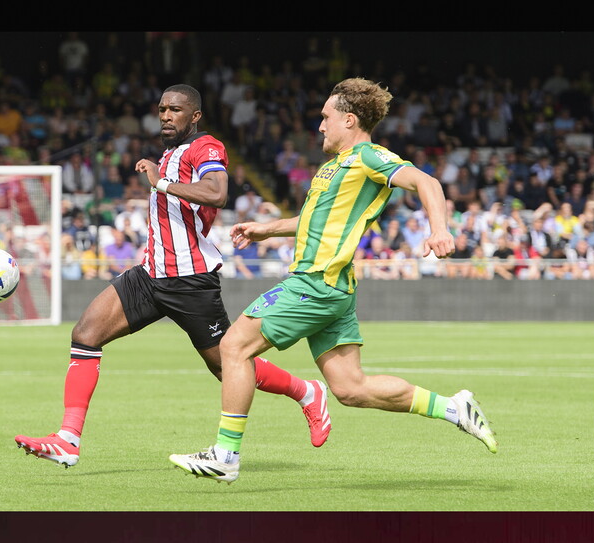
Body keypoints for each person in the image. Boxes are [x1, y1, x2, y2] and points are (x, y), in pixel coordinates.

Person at [168, 78, 497, 484]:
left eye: (325, 118)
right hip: (335, 291)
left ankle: (226, 454)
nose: (320, 126)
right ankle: (453, 407)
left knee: (233, 347)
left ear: (349, 119)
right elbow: (314, 221)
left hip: (314, 284)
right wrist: (267, 229)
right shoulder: (332, 168)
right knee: (351, 388)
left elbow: (426, 182)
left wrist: (439, 229)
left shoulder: (369, 157)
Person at [14, 84, 332, 469]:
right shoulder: (169, 154)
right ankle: (68, 439)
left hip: (190, 279)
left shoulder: (206, 147)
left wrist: (159, 181)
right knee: (85, 334)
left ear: (194, 116)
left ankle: (307, 392)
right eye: (162, 108)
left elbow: (217, 193)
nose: (165, 115)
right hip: (150, 275)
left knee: (226, 366)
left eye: (175, 110)